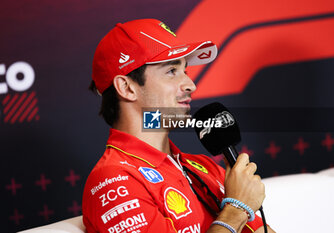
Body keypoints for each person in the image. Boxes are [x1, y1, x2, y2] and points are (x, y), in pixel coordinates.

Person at [82, 18, 275, 233]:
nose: (190, 85)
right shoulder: (113, 181)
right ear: (127, 88)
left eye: (186, 71)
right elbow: (237, 211)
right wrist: (236, 209)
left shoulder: (203, 166)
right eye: (172, 71)